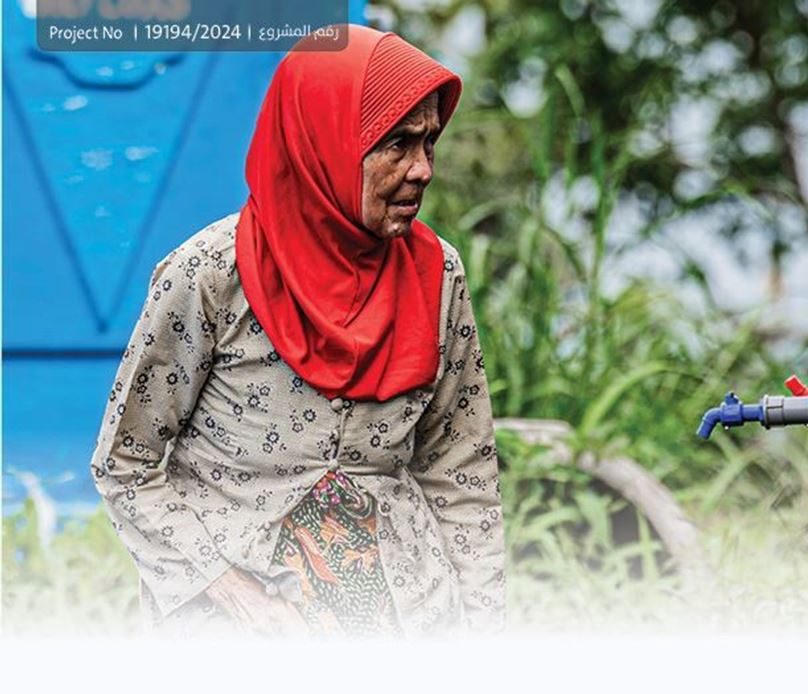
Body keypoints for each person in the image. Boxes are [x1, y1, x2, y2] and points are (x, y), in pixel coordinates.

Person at [89, 24, 506, 639]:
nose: (421, 170)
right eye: (396, 144)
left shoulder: (436, 275)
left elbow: (461, 474)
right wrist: (234, 598)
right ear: (324, 141)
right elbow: (127, 465)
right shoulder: (211, 273)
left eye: (429, 143)